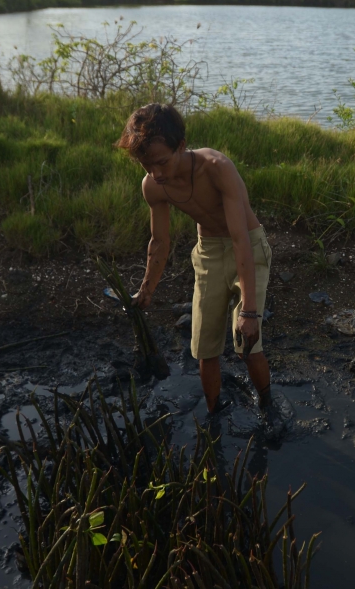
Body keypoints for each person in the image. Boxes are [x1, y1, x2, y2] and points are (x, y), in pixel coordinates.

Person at [117, 102, 283, 436]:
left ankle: (268, 406)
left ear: (180, 146)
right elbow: (159, 243)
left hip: (247, 245)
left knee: (247, 344)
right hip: (207, 252)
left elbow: (239, 239)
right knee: (204, 349)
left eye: (162, 161)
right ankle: (214, 413)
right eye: (146, 165)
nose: (157, 172)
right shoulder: (153, 185)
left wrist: (250, 311)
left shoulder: (216, 167)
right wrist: (145, 290)